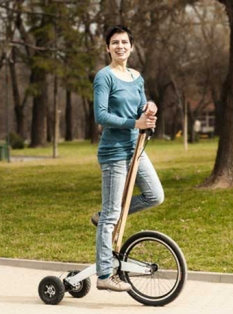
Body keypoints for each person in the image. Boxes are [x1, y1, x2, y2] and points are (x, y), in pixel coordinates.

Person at [92, 25, 164, 292]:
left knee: (155, 195)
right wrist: (135, 123)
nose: (120, 46)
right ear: (107, 47)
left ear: (131, 47)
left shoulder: (137, 76)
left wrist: (149, 106)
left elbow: (140, 107)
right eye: (114, 42)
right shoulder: (104, 77)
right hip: (114, 152)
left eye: (124, 42)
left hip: (137, 149)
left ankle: (103, 216)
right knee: (112, 214)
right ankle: (104, 275)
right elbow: (101, 116)